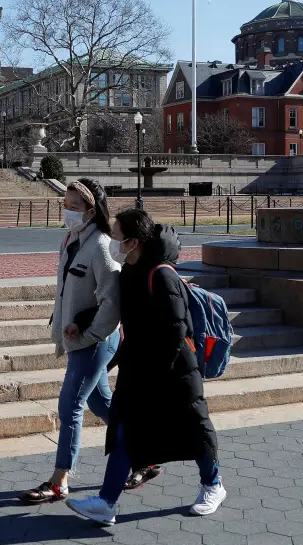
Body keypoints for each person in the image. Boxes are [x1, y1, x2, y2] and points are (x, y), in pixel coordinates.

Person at [66, 209, 224, 526]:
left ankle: (213, 485)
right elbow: (113, 306)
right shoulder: (129, 273)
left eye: (117, 235)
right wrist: (82, 323)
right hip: (141, 368)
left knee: (195, 427)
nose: (112, 241)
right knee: (125, 431)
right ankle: (106, 503)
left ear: (134, 241)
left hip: (175, 371)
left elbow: (177, 331)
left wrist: (158, 374)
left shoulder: (162, 275)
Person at [21, 178, 133, 504]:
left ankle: (59, 481)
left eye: (74, 207)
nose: (67, 211)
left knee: (70, 404)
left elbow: (111, 302)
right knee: (102, 403)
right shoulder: (71, 239)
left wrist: (91, 334)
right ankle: (144, 451)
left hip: (94, 341)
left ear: (91, 210)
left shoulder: (101, 245)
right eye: (65, 205)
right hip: (76, 339)